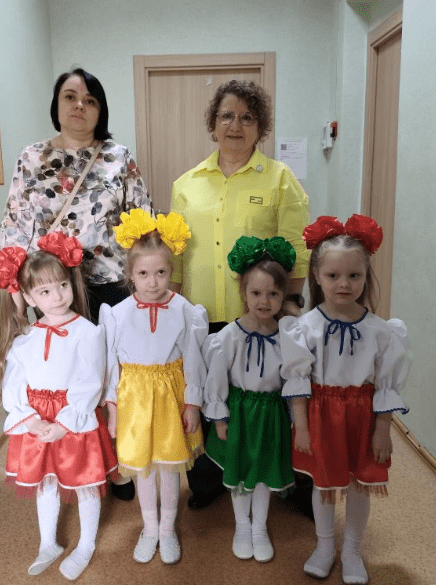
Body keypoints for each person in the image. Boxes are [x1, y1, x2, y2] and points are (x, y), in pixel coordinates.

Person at [0, 67, 152, 500]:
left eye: (90, 100)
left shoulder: (118, 157)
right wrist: (14, 288)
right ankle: (70, 464)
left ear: (100, 110)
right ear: (57, 105)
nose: (79, 106)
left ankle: (114, 464)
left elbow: (142, 221)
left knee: (109, 376)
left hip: (108, 285)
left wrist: (146, 282)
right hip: (51, 288)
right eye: (70, 96)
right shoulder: (32, 156)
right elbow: (15, 223)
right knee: (62, 378)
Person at [170, 79, 311, 510]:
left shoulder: (281, 180)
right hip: (203, 315)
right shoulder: (187, 184)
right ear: (213, 123)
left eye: (247, 117)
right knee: (209, 397)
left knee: (266, 402)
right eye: (227, 115)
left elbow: (296, 250)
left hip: (260, 318)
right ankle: (210, 480)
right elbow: (177, 255)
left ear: (260, 127)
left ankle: (281, 480)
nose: (236, 125)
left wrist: (289, 308)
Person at [279, 215, 410, 584]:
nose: (344, 284)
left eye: (354, 275)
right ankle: (324, 546)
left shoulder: (382, 332)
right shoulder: (304, 328)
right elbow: (298, 382)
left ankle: (352, 549)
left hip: (362, 415)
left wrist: (382, 430)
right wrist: (301, 427)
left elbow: (385, 385)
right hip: (321, 415)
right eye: (333, 275)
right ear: (317, 276)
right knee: (323, 485)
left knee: (358, 483)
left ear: (366, 276)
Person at [0, 232, 118, 580]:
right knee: (45, 481)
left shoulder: (87, 332)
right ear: (29, 297)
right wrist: (30, 420)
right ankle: (48, 542)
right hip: (37, 420)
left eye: (62, 285)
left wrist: (64, 422)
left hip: (72, 419)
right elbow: (14, 383)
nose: (57, 296)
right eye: (45, 291)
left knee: (85, 482)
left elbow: (91, 381)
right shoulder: (25, 338)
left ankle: (86, 543)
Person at [100, 209, 208, 565]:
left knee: (168, 466)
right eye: (143, 274)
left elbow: (193, 361)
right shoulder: (117, 314)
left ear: (171, 272)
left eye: (161, 272)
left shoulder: (185, 310)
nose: (152, 282)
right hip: (134, 399)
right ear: (130, 274)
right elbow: (111, 366)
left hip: (171, 397)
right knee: (144, 467)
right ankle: (149, 528)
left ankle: (167, 529)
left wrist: (192, 404)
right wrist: (112, 410)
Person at [202, 236, 297, 563]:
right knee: (240, 472)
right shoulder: (228, 336)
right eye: (256, 293)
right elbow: (217, 378)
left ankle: (260, 527)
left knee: (264, 472)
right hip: (240, 413)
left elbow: (292, 379)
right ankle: (242, 525)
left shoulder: (287, 336)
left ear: (283, 295)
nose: (264, 301)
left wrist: (294, 419)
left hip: (270, 414)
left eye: (273, 294)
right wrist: (220, 419)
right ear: (243, 293)